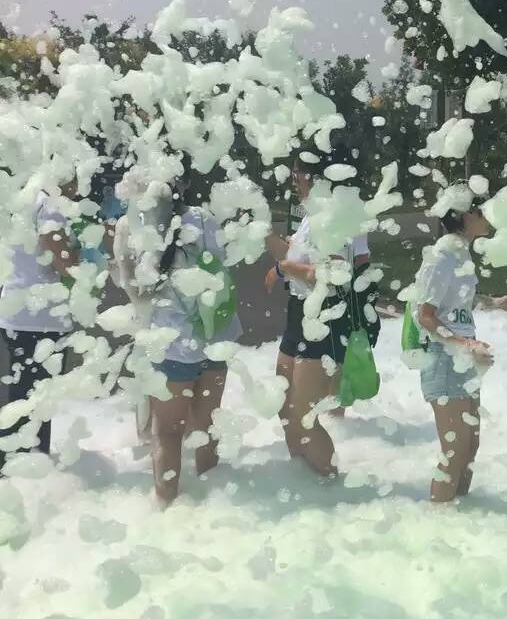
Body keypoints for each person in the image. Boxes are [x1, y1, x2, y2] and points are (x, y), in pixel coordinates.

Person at [115, 164, 237, 505]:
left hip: (170, 347)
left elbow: (132, 290)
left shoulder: (129, 227)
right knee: (207, 427)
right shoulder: (202, 218)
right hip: (214, 338)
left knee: (167, 434)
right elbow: (223, 267)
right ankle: (213, 509)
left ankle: (167, 509)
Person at [264, 152, 370, 475]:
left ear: (317, 175)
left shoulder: (337, 215)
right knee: (286, 409)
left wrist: (284, 268)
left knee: (303, 417)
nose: (294, 179)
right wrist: (260, 230)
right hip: (299, 314)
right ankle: (305, 487)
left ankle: (330, 489)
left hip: (323, 317)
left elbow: (333, 271)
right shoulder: (313, 215)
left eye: (298, 172)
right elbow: (295, 255)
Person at [413, 190, 507, 503]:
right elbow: (426, 316)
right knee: (454, 450)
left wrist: (496, 303)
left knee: (469, 449)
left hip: (460, 359)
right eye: (480, 211)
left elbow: (458, 303)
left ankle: (459, 525)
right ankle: (438, 523)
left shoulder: (460, 254)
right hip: (444, 359)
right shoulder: (441, 256)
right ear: (462, 216)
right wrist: (464, 343)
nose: (487, 216)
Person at [0, 185, 81, 465]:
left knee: (21, 396)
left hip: (15, 311)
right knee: (39, 399)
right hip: (41, 319)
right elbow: (60, 255)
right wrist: (83, 264)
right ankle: (28, 470)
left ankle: (17, 468)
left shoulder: (20, 197)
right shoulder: (50, 204)